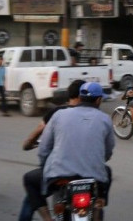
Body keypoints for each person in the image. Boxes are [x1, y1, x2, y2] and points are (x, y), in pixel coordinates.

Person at [32, 82, 114, 221]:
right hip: (94, 177)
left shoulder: (59, 115)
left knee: (29, 180)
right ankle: (98, 206)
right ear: (99, 100)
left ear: (80, 98)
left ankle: (47, 218)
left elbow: (44, 148)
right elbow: (108, 151)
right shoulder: (105, 119)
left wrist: (44, 165)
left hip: (60, 176)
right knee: (106, 174)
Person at [19, 79, 85, 221]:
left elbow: (41, 134)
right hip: (87, 171)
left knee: (31, 185)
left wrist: (28, 143)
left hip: (60, 171)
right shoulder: (94, 115)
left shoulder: (58, 112)